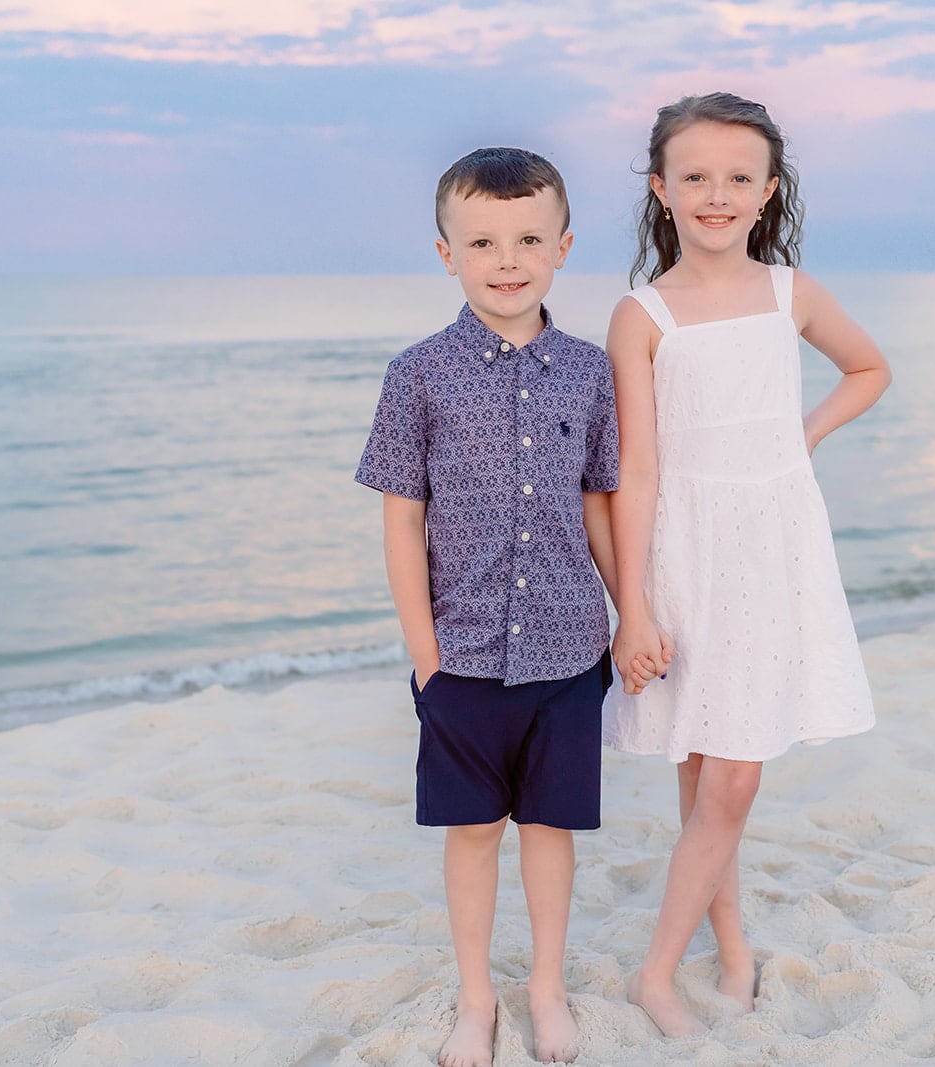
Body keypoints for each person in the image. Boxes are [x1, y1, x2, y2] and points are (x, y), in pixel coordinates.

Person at [604, 92, 893, 1038]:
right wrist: (635, 608)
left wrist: (794, 441)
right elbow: (636, 468)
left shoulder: (790, 293)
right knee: (706, 778)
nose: (716, 194)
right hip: (686, 550)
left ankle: (683, 965)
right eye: (695, 177)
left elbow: (869, 369)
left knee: (729, 778)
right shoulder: (642, 314)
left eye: (738, 178)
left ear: (768, 192)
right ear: (662, 189)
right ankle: (703, 959)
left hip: (772, 550)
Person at [356, 146, 627, 1067]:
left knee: (550, 828)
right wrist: (424, 655)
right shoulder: (418, 373)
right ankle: (477, 998)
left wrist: (632, 613)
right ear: (447, 254)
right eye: (482, 241)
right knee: (473, 830)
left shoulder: (589, 371)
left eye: (527, 239)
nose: (506, 259)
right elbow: (402, 524)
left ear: (561, 247)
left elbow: (600, 505)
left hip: (567, 648)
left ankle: (545, 987)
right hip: (462, 654)